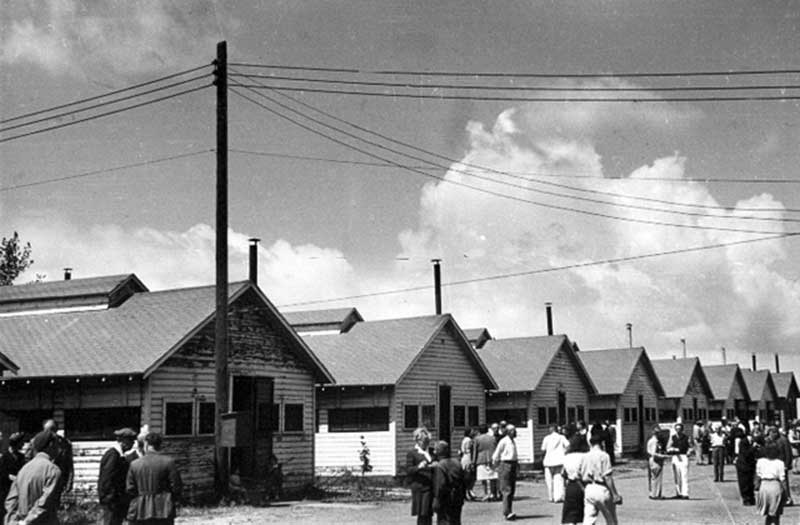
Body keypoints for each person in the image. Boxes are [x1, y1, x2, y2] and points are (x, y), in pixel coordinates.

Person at [4, 430, 63, 525]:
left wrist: (14, 522)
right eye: (57, 444)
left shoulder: (23, 469)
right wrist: (27, 521)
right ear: (51, 444)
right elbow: (45, 503)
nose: (59, 449)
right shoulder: (53, 470)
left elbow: (11, 500)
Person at [126, 432, 183, 525]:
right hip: (163, 508)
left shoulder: (135, 464)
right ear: (160, 445)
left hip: (140, 509)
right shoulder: (169, 462)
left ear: (146, 444)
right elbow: (176, 486)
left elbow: (130, 489)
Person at [98, 427, 137, 525]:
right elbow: (107, 478)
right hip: (112, 502)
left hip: (116, 500)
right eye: (130, 441)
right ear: (122, 441)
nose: (133, 444)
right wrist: (109, 498)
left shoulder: (120, 456)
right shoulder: (113, 455)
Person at [580, 433, 622, 525]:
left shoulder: (585, 456)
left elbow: (581, 475)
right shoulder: (604, 456)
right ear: (602, 443)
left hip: (589, 487)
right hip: (601, 487)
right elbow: (607, 476)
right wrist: (615, 494)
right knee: (610, 518)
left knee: (588, 518)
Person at [406, 427, 435, 525]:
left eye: (427, 441)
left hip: (431, 486)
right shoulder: (412, 453)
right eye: (422, 441)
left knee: (429, 513)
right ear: (417, 440)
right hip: (420, 486)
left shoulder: (431, 451)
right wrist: (419, 467)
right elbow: (409, 470)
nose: (425, 443)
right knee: (422, 514)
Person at [432, 440, 465, 525]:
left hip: (446, 499)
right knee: (456, 521)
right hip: (458, 496)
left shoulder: (440, 466)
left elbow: (440, 485)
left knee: (444, 521)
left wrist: (437, 500)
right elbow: (464, 479)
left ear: (438, 452)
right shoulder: (457, 462)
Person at [492, 423, 519, 521]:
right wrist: (496, 466)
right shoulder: (503, 441)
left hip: (513, 464)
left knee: (512, 489)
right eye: (513, 430)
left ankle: (509, 510)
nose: (515, 432)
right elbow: (496, 455)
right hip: (505, 464)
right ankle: (506, 512)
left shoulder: (513, 441)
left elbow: (514, 455)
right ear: (508, 432)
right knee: (506, 489)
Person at [43, 419, 74, 501]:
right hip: (41, 481)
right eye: (48, 431)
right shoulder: (36, 442)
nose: (51, 433)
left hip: (58, 481)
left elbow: (69, 464)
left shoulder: (65, 444)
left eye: (53, 430)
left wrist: (69, 482)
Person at [561, 434, 588, 525]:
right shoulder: (585, 456)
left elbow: (563, 473)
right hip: (583, 484)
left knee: (570, 513)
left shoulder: (567, 457)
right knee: (586, 512)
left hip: (571, 485)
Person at [0, 432, 27, 524]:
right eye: (21, 442)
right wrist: (15, 478)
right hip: (6, 491)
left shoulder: (21, 457)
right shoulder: (4, 458)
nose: (23, 445)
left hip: (19, 491)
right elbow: (3, 474)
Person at [755, 444, 786, 525]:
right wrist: (786, 493)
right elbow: (782, 479)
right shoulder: (780, 463)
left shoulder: (760, 461)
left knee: (767, 512)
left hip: (764, 485)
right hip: (775, 485)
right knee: (776, 511)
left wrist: (756, 488)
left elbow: (758, 476)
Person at [541, 424, 568, 503]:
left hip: (548, 461)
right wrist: (565, 453)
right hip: (559, 460)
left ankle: (550, 496)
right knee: (558, 479)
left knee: (549, 480)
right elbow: (568, 445)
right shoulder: (561, 437)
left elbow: (543, 449)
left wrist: (543, 457)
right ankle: (558, 497)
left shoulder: (546, 438)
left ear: (551, 430)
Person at [473, 424, 498, 501]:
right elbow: (495, 448)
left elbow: (475, 451)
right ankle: (493, 494)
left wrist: (473, 461)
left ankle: (486, 493)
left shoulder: (477, 439)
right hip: (491, 459)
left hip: (481, 459)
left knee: (483, 478)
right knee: (492, 478)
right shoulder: (493, 438)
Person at [669, 423, 691, 499]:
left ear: (682, 429)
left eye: (679, 429)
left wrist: (689, 451)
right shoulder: (673, 437)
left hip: (683, 456)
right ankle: (678, 493)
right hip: (675, 456)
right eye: (676, 429)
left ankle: (685, 493)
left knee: (684, 475)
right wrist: (671, 449)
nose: (678, 430)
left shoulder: (686, 437)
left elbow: (690, 447)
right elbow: (668, 446)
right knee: (677, 476)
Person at [737, 430, 759, 506]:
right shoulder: (743, 442)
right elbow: (746, 454)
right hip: (743, 465)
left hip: (750, 465)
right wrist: (753, 448)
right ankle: (746, 499)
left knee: (750, 483)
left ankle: (751, 498)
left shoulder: (751, 443)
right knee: (744, 483)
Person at [646, 425, 668, 499]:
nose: (658, 434)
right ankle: (653, 494)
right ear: (653, 433)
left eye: (658, 432)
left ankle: (658, 493)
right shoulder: (653, 441)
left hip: (659, 460)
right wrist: (662, 456)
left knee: (659, 477)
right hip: (655, 460)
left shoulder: (658, 441)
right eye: (656, 432)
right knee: (655, 477)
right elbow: (652, 453)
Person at [459, 428, 477, 501]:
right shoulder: (469, 440)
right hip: (468, 457)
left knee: (467, 475)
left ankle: (467, 492)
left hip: (464, 457)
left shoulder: (464, 440)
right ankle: (468, 491)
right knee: (469, 475)